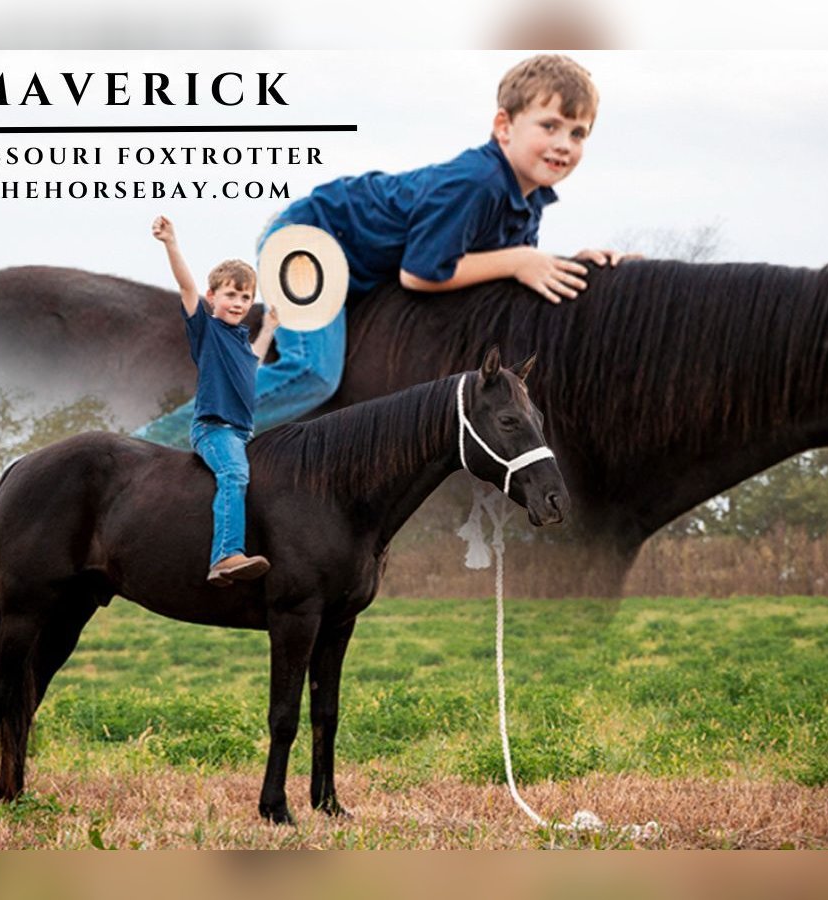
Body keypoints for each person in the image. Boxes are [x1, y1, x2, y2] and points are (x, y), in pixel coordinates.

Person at [135, 53, 631, 449]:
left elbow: (500, 271)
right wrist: (521, 260)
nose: (564, 143)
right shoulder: (475, 182)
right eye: (549, 126)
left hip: (360, 266)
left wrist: (570, 262)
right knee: (314, 372)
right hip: (314, 238)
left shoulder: (527, 200)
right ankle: (159, 441)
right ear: (504, 126)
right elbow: (421, 274)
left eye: (578, 132)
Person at [150, 215, 279, 587]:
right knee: (234, 474)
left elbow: (252, 359)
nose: (238, 302)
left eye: (245, 297)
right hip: (213, 428)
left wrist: (268, 328)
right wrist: (172, 243)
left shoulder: (240, 340)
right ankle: (224, 555)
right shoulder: (206, 330)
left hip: (242, 432)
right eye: (230, 295)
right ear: (213, 298)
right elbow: (187, 288)